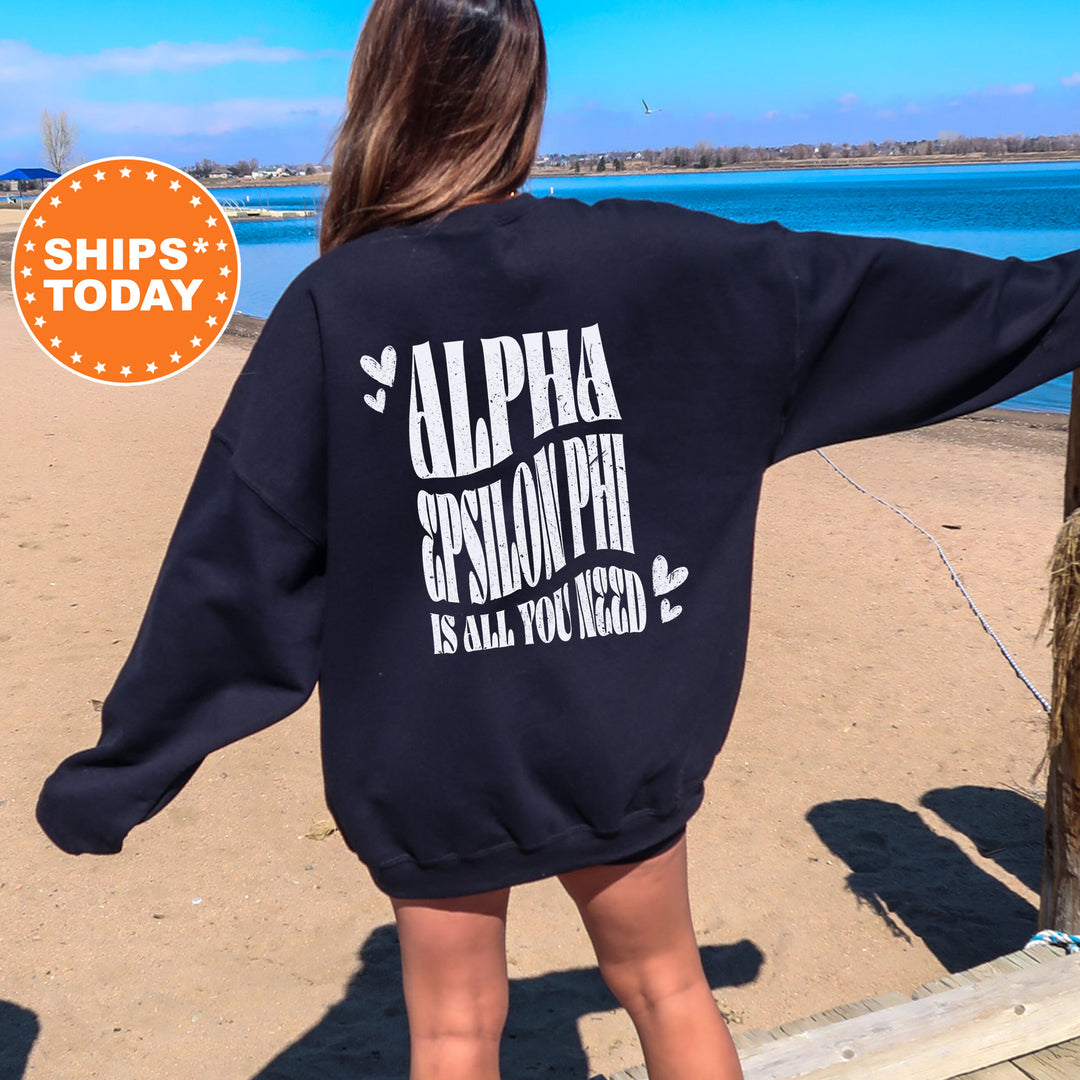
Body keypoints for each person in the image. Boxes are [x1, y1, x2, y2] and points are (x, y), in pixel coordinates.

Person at [35, 1, 1080, 1078]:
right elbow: (941, 309)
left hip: (424, 744)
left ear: (380, 95)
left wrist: (118, 776)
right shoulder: (668, 265)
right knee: (668, 986)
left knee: (451, 1029)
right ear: (524, 99)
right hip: (614, 726)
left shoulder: (333, 306)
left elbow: (236, 573)